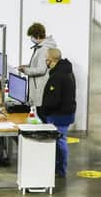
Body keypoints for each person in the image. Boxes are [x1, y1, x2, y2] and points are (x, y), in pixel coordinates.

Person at [37, 48, 76, 178]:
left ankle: (61, 170)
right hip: (66, 113)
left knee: (59, 142)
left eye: (47, 59)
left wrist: (42, 110)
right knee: (60, 141)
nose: (46, 62)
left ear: (52, 60)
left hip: (59, 116)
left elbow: (53, 100)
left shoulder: (58, 76)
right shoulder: (66, 71)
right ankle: (57, 167)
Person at [18, 23, 57, 107]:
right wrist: (27, 66)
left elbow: (41, 70)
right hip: (37, 84)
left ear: (38, 36)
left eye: (32, 36)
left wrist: (25, 70)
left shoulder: (44, 49)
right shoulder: (41, 47)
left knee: (39, 113)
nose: (31, 39)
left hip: (40, 86)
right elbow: (38, 63)